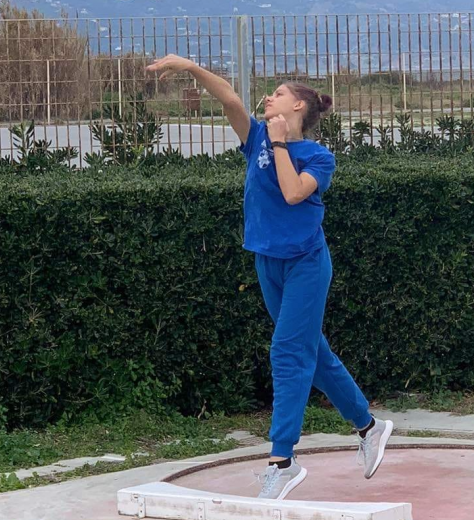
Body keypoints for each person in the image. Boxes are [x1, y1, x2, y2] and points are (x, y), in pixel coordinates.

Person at [146, 54, 394, 500]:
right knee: (312, 352)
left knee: (288, 352)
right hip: (267, 261)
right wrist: (190, 68)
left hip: (306, 264)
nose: (268, 97)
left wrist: (279, 146)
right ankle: (369, 427)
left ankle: (282, 461)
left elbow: (293, 193)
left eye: (278, 93)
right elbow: (229, 99)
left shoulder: (318, 157)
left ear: (298, 106)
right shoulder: (256, 137)